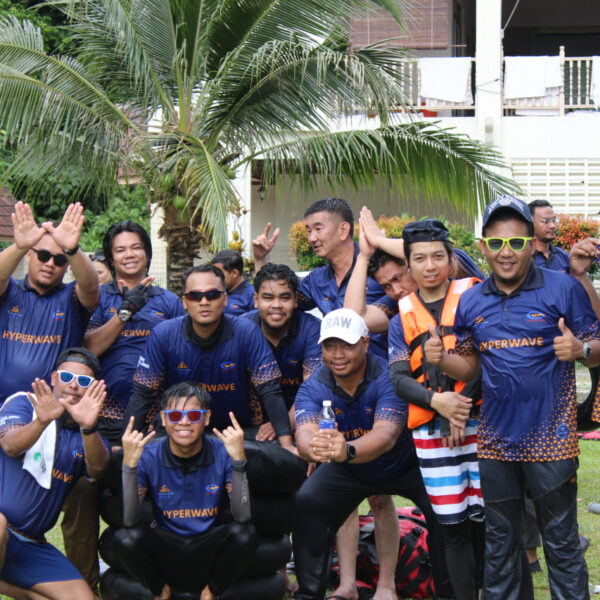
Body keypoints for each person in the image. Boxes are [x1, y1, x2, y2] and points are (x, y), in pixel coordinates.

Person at [427, 195, 600, 599]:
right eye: (497, 243)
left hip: (552, 441)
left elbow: (597, 345)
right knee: (500, 548)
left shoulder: (563, 287)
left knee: (562, 546)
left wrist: (581, 350)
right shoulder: (471, 301)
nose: (506, 253)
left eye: (517, 243)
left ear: (531, 244)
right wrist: (442, 360)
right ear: (483, 246)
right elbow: (471, 367)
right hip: (496, 444)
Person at [291, 309, 452, 600]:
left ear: (365, 343)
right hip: (348, 469)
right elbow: (304, 432)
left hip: (404, 465)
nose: (337, 355)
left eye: (347, 345)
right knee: (307, 500)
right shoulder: (313, 386)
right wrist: (313, 446)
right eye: (330, 346)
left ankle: (449, 592)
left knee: (445, 510)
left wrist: (346, 449)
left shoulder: (389, 377)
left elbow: (386, 435)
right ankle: (310, 593)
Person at [61, 221, 184, 589]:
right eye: (120, 249)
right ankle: (83, 585)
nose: (129, 255)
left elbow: (180, 355)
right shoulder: (95, 298)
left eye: (136, 247)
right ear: (111, 257)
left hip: (153, 422)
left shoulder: (168, 301)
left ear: (147, 252)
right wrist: (125, 311)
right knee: (83, 492)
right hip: (98, 418)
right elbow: (88, 348)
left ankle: (159, 579)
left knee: (156, 500)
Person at [386, 219, 484, 600]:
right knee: (452, 526)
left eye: (438, 256)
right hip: (431, 434)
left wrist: (459, 408)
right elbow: (398, 378)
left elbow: (488, 358)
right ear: (408, 265)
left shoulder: (473, 297)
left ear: (450, 258)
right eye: (420, 258)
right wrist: (438, 404)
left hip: (481, 425)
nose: (430, 266)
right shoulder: (400, 317)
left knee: (490, 520)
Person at [124, 264, 296, 455]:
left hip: (239, 431)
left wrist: (287, 445)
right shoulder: (163, 335)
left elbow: (270, 390)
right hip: (181, 430)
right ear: (184, 302)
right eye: (195, 296)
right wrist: (125, 446)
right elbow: (142, 394)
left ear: (225, 299)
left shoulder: (247, 332)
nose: (204, 302)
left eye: (212, 295)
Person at [113, 382, 256, 600]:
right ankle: (161, 592)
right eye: (175, 415)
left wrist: (238, 461)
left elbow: (243, 515)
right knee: (125, 537)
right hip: (166, 545)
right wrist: (129, 466)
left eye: (194, 415)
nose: (184, 422)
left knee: (246, 534)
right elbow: (129, 520)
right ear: (163, 419)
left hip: (208, 545)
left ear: (207, 418)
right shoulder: (148, 455)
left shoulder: (223, 451)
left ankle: (210, 593)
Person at [0, 347, 109, 600]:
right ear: (53, 378)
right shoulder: (25, 402)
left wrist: (88, 427)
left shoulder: (87, 432)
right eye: (66, 377)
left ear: (93, 388)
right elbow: (10, 445)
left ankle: (20, 591)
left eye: (84, 381)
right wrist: (41, 421)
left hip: (32, 544)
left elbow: (98, 469)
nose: (74, 385)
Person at [0, 201, 100, 403]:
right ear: (29, 255)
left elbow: (90, 286)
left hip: (55, 409)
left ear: (67, 266)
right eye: (43, 256)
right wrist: (20, 246)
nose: (50, 264)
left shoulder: (72, 297)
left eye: (60, 260)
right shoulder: (9, 290)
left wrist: (72, 250)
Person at [241, 263, 321, 440]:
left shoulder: (313, 329)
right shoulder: (241, 328)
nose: (276, 305)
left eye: (285, 298)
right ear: (256, 299)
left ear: (296, 300)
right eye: (268, 298)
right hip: (251, 422)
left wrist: (282, 424)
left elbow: (312, 387)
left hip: (302, 418)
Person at [528, 199, 570, 273]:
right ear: (531, 224)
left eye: (554, 220)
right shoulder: (524, 258)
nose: (552, 226)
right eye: (545, 221)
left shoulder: (563, 256)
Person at [211, 249, 255, 316]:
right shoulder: (217, 292)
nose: (215, 277)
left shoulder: (252, 295)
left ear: (234, 273)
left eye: (219, 273)